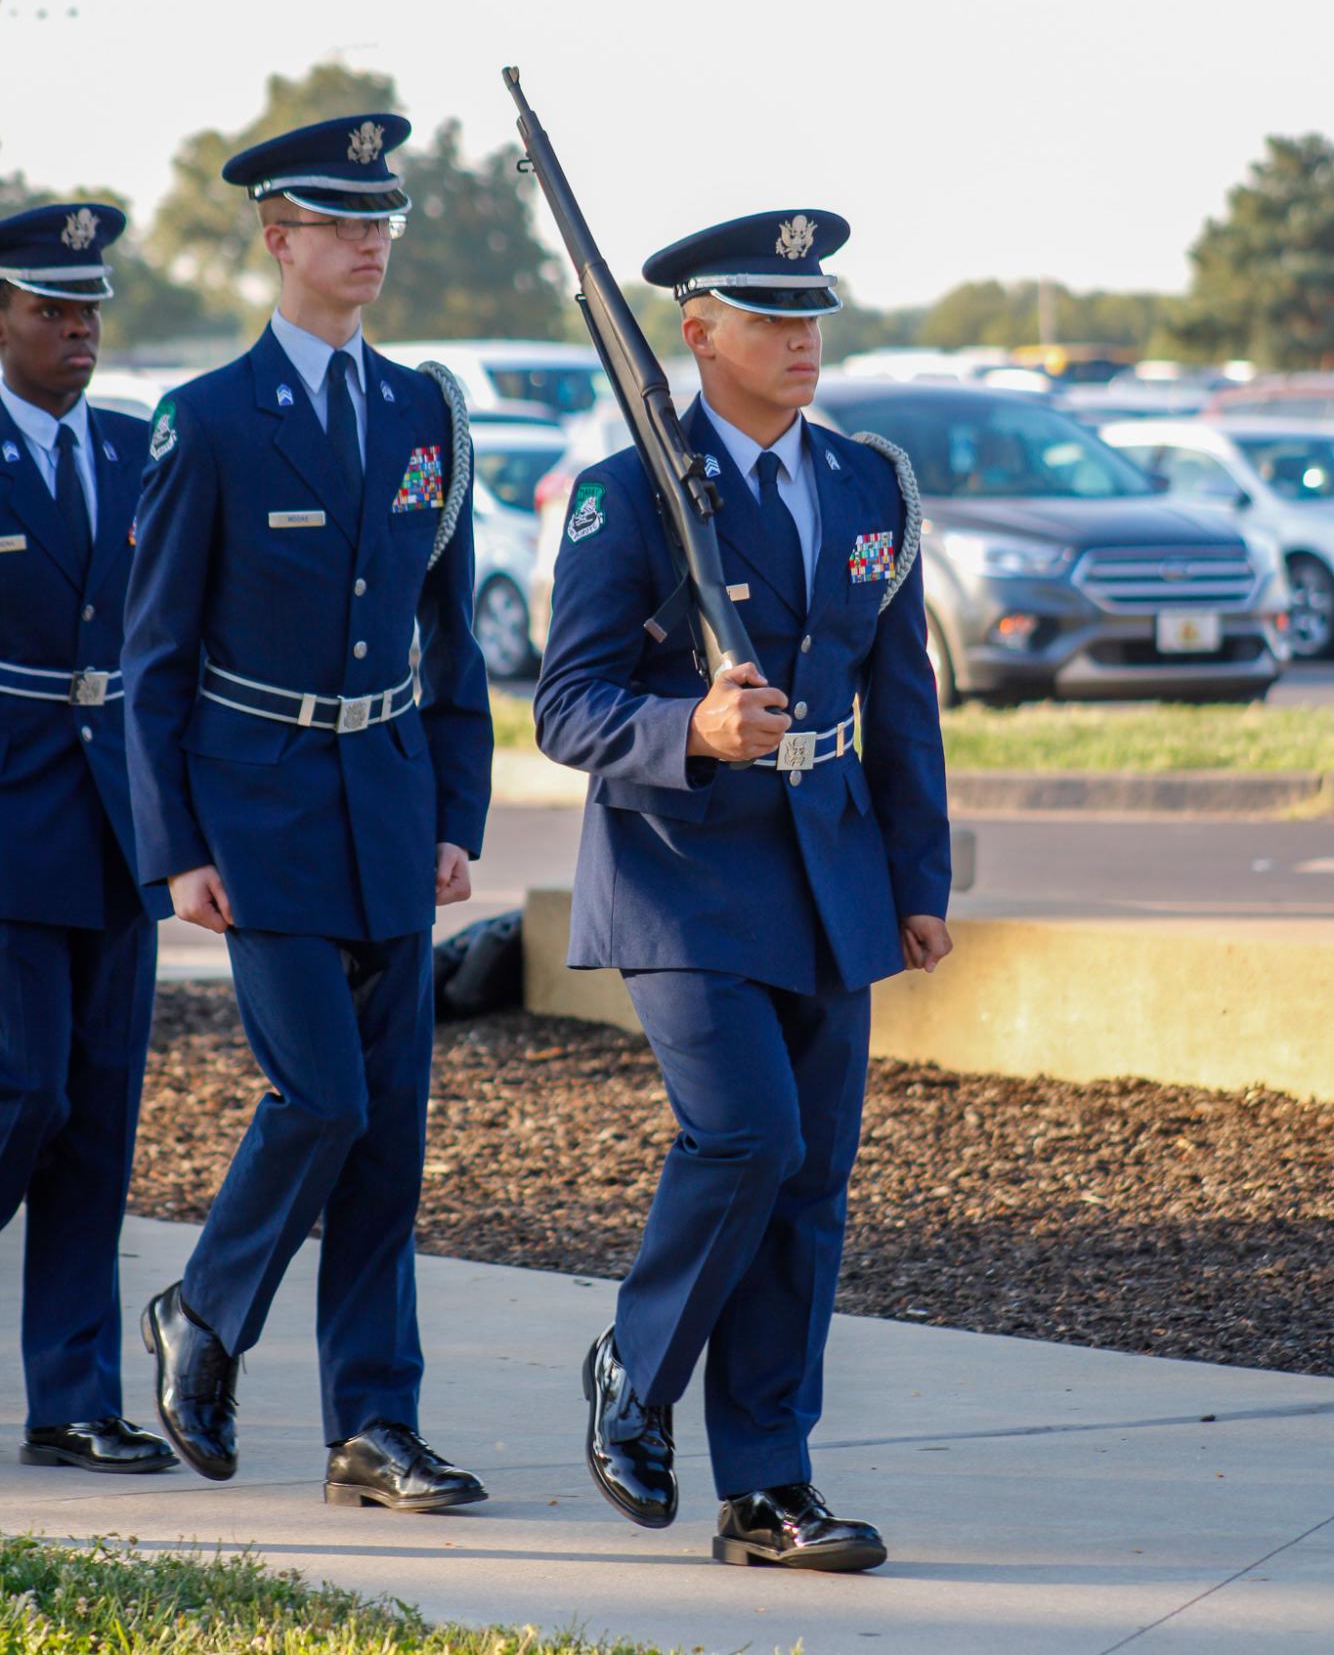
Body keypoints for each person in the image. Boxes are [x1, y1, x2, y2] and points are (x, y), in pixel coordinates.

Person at [534, 209, 952, 1572]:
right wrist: (690, 732)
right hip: (681, 869)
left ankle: (766, 1489)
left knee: (811, 1188)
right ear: (695, 333)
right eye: (769, 316)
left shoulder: (865, 482)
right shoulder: (628, 494)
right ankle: (634, 1366)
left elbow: (903, 698)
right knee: (747, 1139)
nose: (802, 336)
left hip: (829, 867)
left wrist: (915, 871)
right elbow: (567, 707)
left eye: (811, 311)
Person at [122, 115, 493, 1510]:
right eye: (341, 222)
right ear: (278, 240)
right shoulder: (208, 420)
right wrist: (174, 848)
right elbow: (153, 658)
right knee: (320, 1095)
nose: (370, 240)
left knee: (387, 1130)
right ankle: (205, 1311)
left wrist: (455, 806)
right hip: (257, 812)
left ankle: (372, 1427)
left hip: (390, 809)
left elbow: (447, 635)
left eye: (380, 218)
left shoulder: (423, 413)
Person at [0, 203, 175, 1474]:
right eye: (50, 308)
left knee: (97, 1118)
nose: (79, 329)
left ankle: (73, 1398)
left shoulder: (137, 453)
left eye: (89, 308)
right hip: (5, 816)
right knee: (25, 1088)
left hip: (120, 824)